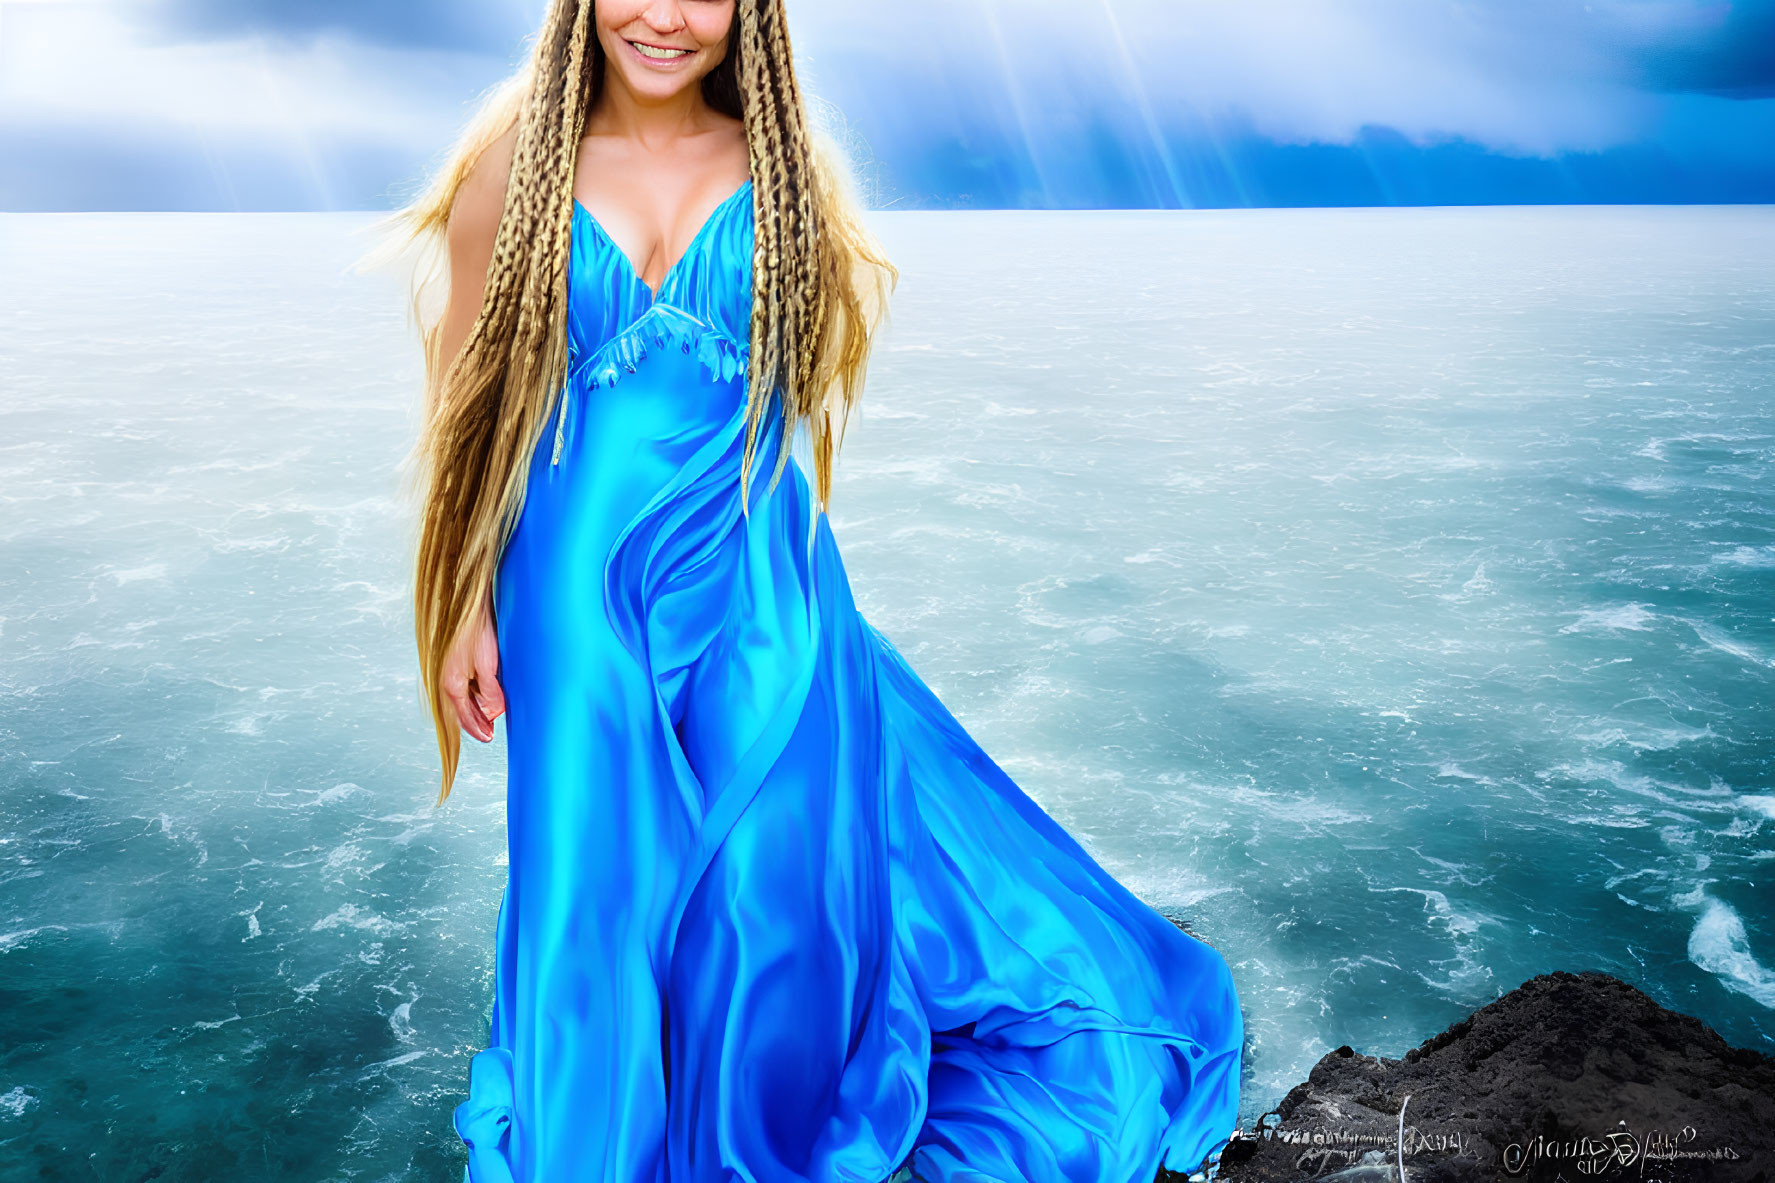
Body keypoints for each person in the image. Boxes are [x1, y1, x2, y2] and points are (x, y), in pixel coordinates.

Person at [388, 1, 1244, 1179]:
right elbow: (462, 409)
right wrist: (462, 606)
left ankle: (754, 1145)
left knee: (769, 884)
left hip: (759, 581)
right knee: (595, 888)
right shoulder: (515, 168)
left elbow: (781, 390)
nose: (666, 16)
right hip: (573, 608)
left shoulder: (780, 175)